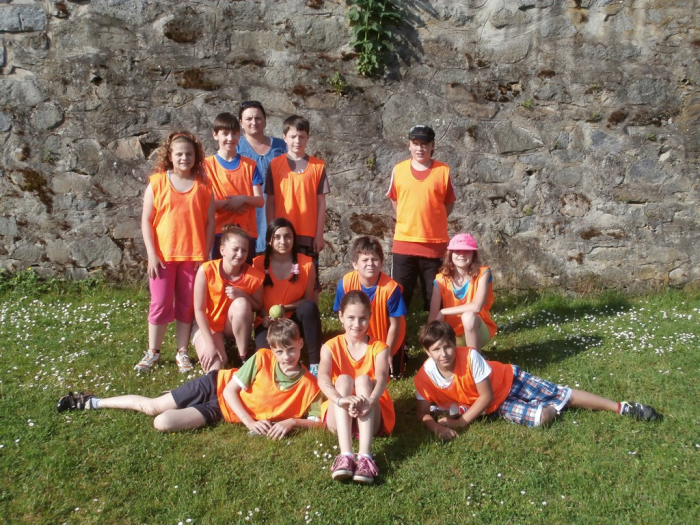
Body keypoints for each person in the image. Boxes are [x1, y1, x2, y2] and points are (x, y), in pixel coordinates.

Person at [57, 319, 322, 439]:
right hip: (215, 385)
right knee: (152, 407)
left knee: (162, 422)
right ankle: (92, 401)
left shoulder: (310, 385)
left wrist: (291, 422)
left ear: (301, 344)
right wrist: (250, 422)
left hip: (220, 411)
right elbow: (230, 391)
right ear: (272, 350)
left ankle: (176, 397)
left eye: (291, 349)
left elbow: (319, 422)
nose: (286, 356)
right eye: (279, 351)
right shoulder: (262, 358)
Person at [414, 321, 661, 442]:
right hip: (494, 407)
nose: (444, 354)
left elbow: (486, 395)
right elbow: (422, 413)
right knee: (541, 419)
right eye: (436, 349)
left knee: (565, 395)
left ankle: (621, 407)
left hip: (510, 381)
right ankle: (548, 409)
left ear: (454, 344)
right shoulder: (424, 378)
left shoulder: (470, 357)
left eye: (448, 346)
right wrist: (436, 428)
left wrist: (462, 422)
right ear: (427, 352)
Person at [135, 131, 215, 373]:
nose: (184, 158)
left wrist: (204, 255)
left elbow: (210, 224)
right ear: (169, 156)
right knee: (160, 303)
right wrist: (152, 254)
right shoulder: (157, 183)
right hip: (162, 258)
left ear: (196, 156)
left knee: (187, 306)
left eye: (189, 154)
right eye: (179, 154)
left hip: (193, 258)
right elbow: (146, 221)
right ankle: (153, 351)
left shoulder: (204, 186)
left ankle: (182, 351)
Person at [318, 291, 394, 484]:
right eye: (351, 318)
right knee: (343, 379)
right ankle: (345, 455)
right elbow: (323, 376)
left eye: (363, 318)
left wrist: (371, 400)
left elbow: (382, 376)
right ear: (341, 316)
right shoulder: (330, 346)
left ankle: (365, 457)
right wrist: (341, 400)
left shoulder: (380, 347)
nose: (357, 324)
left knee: (364, 380)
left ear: (370, 317)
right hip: (339, 414)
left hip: (369, 412)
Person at [386, 124, 456, 312]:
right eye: (415, 143)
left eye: (424, 144)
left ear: (432, 145)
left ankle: (435, 331)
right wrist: (407, 219)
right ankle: (398, 331)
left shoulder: (443, 171)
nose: (420, 148)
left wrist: (433, 220)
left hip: (435, 244)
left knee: (436, 296)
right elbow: (395, 199)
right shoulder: (399, 170)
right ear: (409, 145)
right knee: (399, 295)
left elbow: (449, 202)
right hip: (404, 242)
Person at [265, 115, 330, 287]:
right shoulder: (274, 165)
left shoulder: (318, 166)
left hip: (308, 234)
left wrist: (319, 235)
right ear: (284, 137)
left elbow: (321, 203)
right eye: (293, 136)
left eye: (301, 136)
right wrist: (270, 233)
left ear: (308, 137)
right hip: (281, 235)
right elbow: (270, 202)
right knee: (283, 279)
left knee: (310, 281)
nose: (297, 141)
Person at [252, 218, 322, 376]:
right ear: (269, 241)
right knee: (266, 357)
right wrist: (265, 316)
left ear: (293, 239)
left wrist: (285, 308)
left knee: (309, 307)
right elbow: (256, 302)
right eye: (277, 237)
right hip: (267, 323)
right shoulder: (257, 264)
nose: (283, 242)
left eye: (287, 236)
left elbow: (308, 300)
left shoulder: (306, 264)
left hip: (294, 322)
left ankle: (315, 365)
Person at [333, 236, 408, 377]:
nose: (370, 264)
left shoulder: (391, 288)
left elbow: (396, 325)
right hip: (358, 334)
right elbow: (342, 316)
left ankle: (402, 351)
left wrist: (388, 353)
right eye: (365, 260)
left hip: (386, 340)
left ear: (381, 263)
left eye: (374, 259)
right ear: (355, 264)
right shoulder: (345, 283)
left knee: (392, 374)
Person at [192, 225, 264, 370]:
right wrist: (210, 344)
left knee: (242, 304)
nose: (240, 254)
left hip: (229, 325)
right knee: (215, 368)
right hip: (208, 326)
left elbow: (257, 306)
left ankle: (243, 356)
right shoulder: (206, 270)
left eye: (244, 250)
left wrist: (242, 295)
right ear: (222, 250)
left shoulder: (255, 276)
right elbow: (199, 310)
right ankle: (215, 344)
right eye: (235, 249)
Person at [203, 112, 264, 263]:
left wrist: (243, 199)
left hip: (246, 232)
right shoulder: (206, 166)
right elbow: (202, 203)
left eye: (234, 133)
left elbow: (259, 201)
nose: (230, 138)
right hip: (218, 231)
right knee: (220, 274)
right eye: (225, 133)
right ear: (215, 135)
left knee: (245, 274)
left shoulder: (250, 165)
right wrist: (229, 204)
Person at [428, 233, 496, 351]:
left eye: (467, 251)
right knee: (448, 353)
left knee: (468, 317)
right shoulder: (440, 279)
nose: (462, 255)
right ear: (450, 254)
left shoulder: (483, 273)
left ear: (473, 255)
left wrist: (443, 311)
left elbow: (476, 307)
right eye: (457, 251)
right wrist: (429, 342)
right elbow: (433, 317)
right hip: (453, 333)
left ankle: (475, 360)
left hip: (478, 328)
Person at [236, 100, 287, 255]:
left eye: (258, 118)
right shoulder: (235, 147)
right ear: (241, 122)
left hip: (278, 211)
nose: (254, 122)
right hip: (247, 215)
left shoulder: (282, 146)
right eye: (248, 118)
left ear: (265, 120)